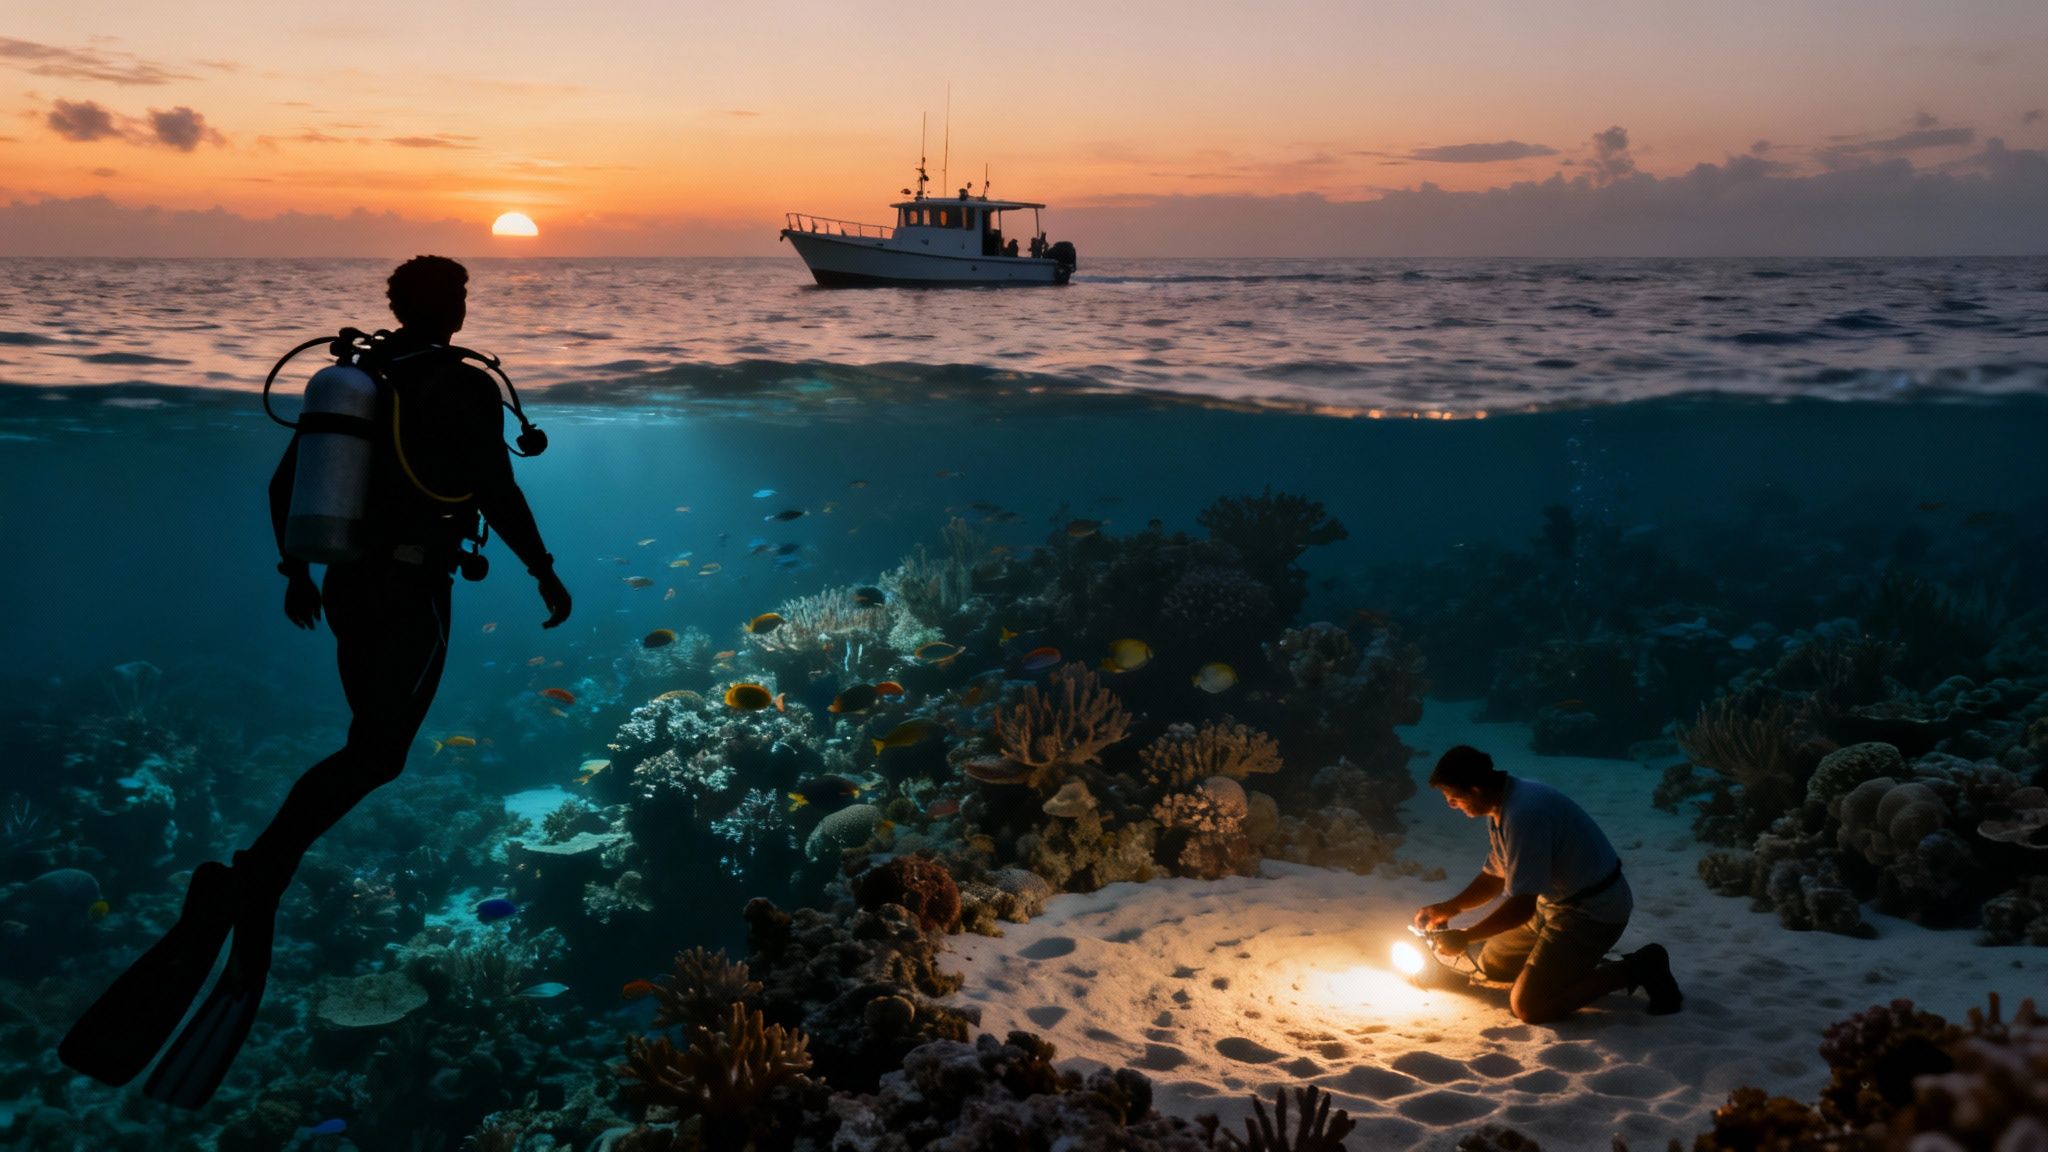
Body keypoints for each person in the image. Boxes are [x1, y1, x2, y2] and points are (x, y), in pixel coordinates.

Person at [60, 256, 573, 1107]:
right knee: (380, 754)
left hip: (343, 587)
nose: (462, 306)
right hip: (412, 590)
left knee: (366, 742)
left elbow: (281, 485)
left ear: (395, 307)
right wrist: (544, 571)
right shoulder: (461, 383)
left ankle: (261, 868)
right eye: (462, 297)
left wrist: (295, 573)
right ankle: (261, 871)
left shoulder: (358, 380)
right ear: (452, 306)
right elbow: (497, 486)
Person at [1411, 745, 1681, 1023]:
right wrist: (1448, 908)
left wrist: (1466, 937)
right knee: (1492, 965)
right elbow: (1495, 875)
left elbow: (1521, 908)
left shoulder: (1524, 814)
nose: (1450, 805)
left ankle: (1640, 966)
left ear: (1475, 790)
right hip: (1551, 905)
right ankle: (1570, 963)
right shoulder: (1501, 805)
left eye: (1453, 797)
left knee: (1530, 1006)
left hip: (1592, 912)